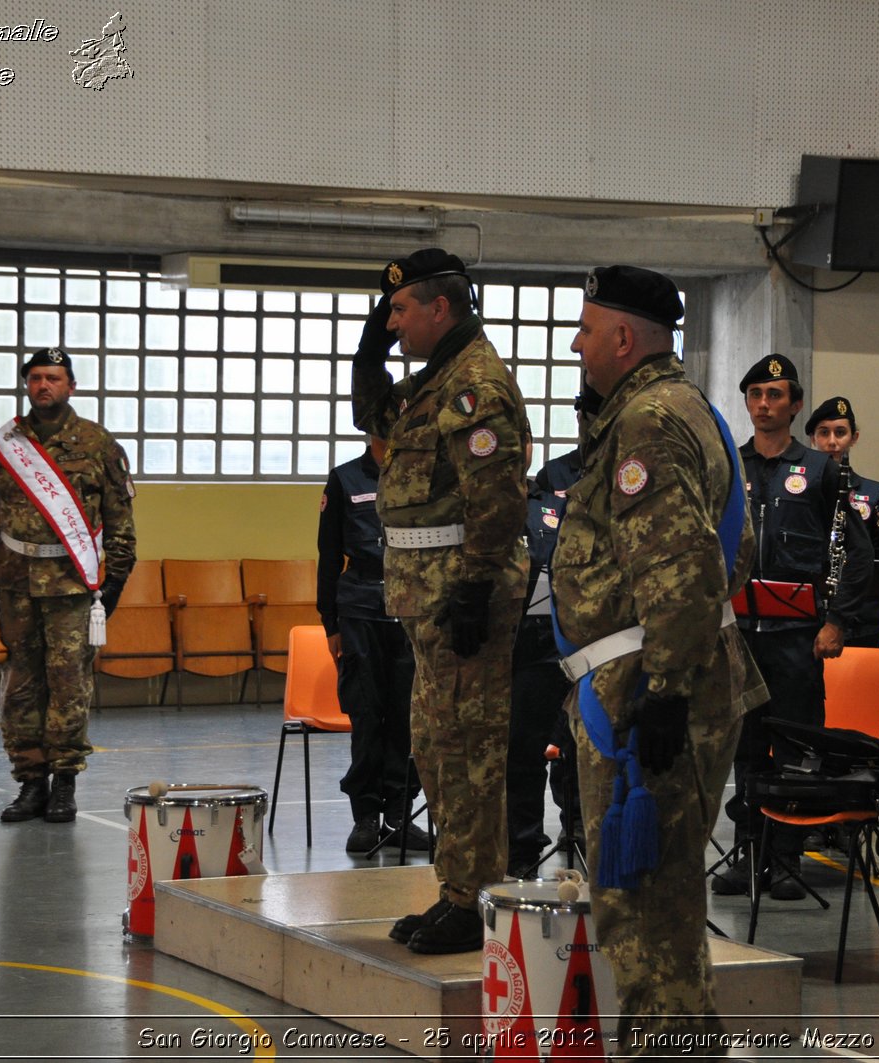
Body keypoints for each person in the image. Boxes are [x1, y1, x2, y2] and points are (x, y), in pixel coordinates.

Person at [551, 265, 766, 1056]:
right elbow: (730, 549)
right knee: (667, 906)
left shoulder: (646, 419)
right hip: (655, 673)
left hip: (649, 688)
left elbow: (683, 565)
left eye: (584, 329)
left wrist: (666, 689)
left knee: (642, 910)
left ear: (622, 337)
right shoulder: (690, 408)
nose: (576, 345)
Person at [350, 248, 530, 955]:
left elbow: (499, 499)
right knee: (437, 743)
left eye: (399, 311)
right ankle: (458, 888)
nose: (392, 324)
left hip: (463, 595)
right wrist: (369, 355)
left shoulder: (475, 386)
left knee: (470, 748)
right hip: (428, 595)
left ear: (440, 307)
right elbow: (376, 417)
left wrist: (474, 586)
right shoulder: (436, 381)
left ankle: (477, 894)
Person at [712, 357, 872, 900]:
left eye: (775, 394)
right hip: (740, 633)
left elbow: (856, 551)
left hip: (798, 637)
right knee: (747, 749)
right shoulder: (732, 465)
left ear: (794, 404)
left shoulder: (822, 469)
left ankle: (787, 859)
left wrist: (837, 621)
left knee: (796, 750)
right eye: (755, 393)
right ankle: (748, 854)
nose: (764, 403)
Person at [0, 347, 136, 824]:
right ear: (26, 384)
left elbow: (121, 520)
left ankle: (65, 784)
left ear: (71, 386)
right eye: (36, 377)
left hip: (71, 587)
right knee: (19, 685)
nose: (44, 386)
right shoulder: (3, 446)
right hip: (15, 584)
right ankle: (30, 783)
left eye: (54, 378)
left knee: (69, 687)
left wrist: (116, 579)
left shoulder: (99, 445)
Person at [315, 437, 424, 854]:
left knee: (405, 715)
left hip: (410, 607)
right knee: (366, 713)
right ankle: (365, 816)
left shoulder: (419, 476)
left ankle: (399, 814)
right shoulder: (345, 478)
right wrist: (330, 621)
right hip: (360, 609)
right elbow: (328, 554)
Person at [505, 443, 583, 878]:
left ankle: (524, 848)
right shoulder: (468, 505)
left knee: (527, 751)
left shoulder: (552, 503)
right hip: (482, 648)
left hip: (538, 648)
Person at [805, 395, 879, 648]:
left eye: (840, 433)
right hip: (812, 614)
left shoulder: (877, 494)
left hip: (864, 618)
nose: (832, 442)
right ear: (813, 439)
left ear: (854, 438)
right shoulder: (802, 491)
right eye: (824, 433)